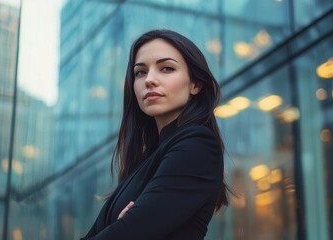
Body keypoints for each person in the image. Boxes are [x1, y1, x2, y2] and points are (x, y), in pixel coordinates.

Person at [81, 29, 229, 240]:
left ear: (195, 84)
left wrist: (122, 227)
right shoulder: (145, 160)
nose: (149, 80)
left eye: (166, 68)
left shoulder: (197, 145)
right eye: (140, 72)